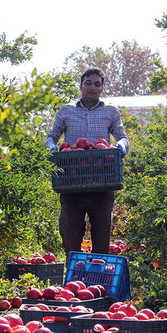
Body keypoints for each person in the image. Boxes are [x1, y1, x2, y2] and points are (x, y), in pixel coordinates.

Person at [45, 67, 130, 260]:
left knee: (101, 243)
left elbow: (123, 137)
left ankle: (98, 283)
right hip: (72, 182)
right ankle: (74, 279)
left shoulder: (110, 112)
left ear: (102, 88)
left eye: (97, 84)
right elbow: (51, 136)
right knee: (70, 238)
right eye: (88, 83)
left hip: (102, 183)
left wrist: (120, 147)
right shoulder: (66, 110)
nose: (92, 87)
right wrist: (52, 149)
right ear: (81, 85)